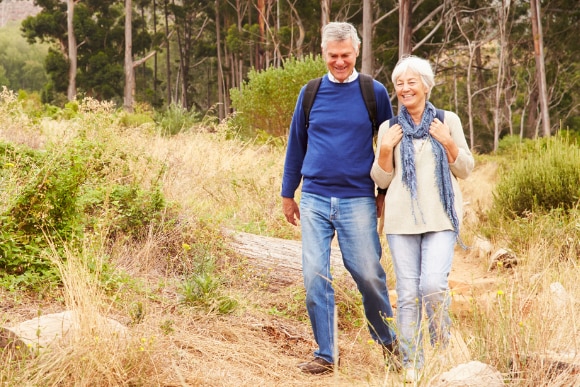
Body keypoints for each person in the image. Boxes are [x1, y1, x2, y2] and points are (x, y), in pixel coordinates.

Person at [281, 21, 399, 375]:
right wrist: (289, 194)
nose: (339, 61)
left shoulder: (373, 92)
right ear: (323, 53)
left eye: (345, 55)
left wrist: (384, 193)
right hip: (315, 197)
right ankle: (325, 354)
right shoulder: (310, 92)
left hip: (357, 199)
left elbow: (389, 147)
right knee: (315, 274)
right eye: (333, 55)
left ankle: (388, 342)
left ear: (357, 52)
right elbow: (296, 146)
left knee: (368, 274)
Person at [370, 55, 475, 383]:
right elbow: (381, 180)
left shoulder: (447, 120)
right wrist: (385, 150)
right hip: (401, 222)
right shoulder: (389, 128)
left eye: (411, 82)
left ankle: (442, 346)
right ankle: (412, 363)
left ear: (426, 87)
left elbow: (466, 169)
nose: (404, 89)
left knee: (432, 284)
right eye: (399, 83)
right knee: (407, 291)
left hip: (441, 218)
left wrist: (446, 141)